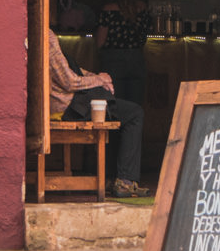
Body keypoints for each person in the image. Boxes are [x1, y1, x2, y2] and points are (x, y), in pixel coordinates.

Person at [46, 26, 148, 197]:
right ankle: (125, 181)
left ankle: (110, 178)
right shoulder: (46, 37)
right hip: (67, 106)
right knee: (134, 113)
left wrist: (98, 78)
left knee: (116, 113)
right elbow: (70, 82)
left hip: (64, 103)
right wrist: (99, 80)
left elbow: (69, 71)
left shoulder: (35, 35)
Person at [94, 0, 151, 110]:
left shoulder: (108, 10)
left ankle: (115, 132)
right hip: (137, 58)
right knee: (135, 107)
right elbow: (145, 34)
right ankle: (133, 132)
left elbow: (100, 41)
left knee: (114, 106)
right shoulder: (141, 7)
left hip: (113, 60)